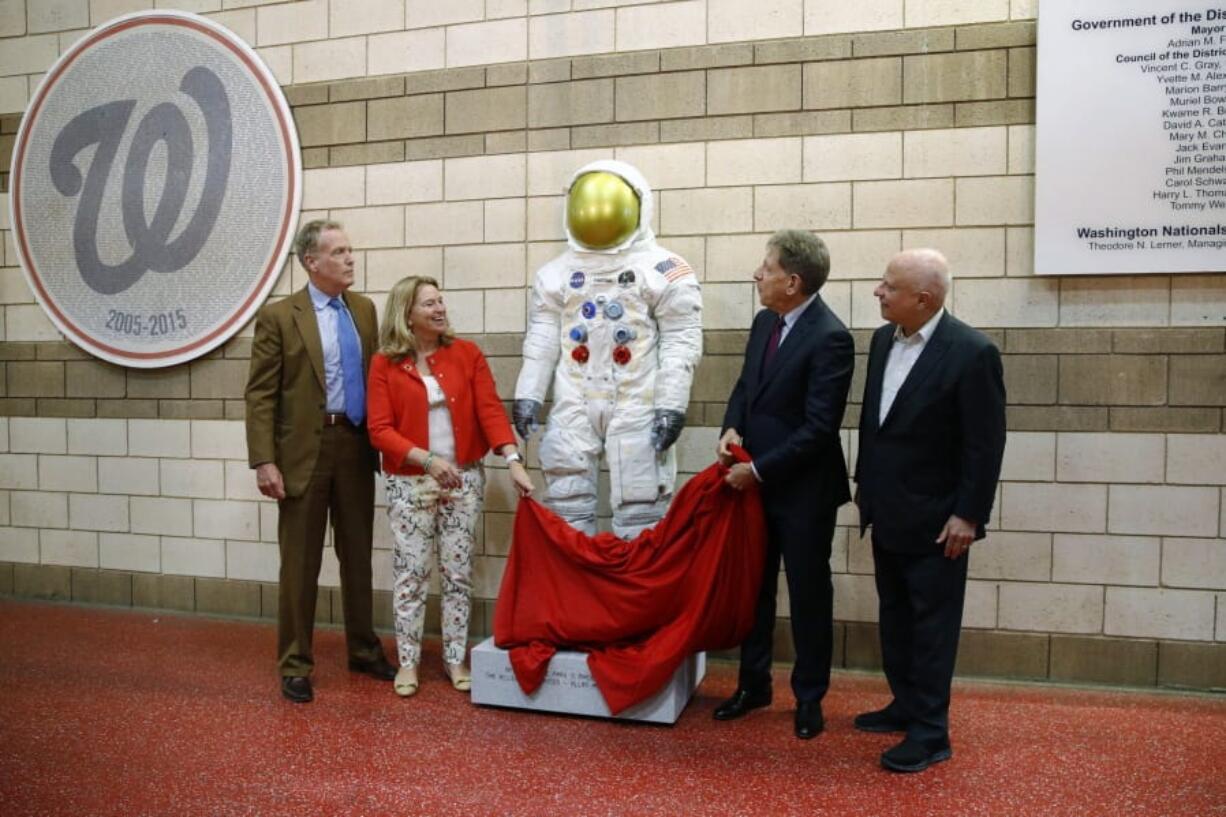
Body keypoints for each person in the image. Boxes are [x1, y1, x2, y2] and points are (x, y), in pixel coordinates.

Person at [854, 248, 1006, 773]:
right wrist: (863, 489)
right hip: (887, 512)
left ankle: (930, 732)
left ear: (924, 298)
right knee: (895, 619)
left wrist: (969, 514)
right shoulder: (880, 341)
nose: (878, 291)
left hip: (940, 522)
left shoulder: (971, 352)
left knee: (932, 627)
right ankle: (905, 704)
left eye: (888, 286)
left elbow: (984, 446)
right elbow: (877, 423)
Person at [245, 220, 395, 704]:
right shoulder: (279, 316)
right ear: (312, 262)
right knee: (300, 563)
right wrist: (264, 461)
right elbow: (261, 394)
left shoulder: (365, 310)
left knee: (357, 556)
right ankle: (294, 662)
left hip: (354, 445)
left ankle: (364, 649)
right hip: (302, 453)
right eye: (339, 252)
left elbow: (380, 381)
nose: (351, 259)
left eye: (351, 250)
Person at [512, 160, 702, 540]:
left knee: (640, 508)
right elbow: (543, 338)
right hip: (574, 398)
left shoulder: (663, 269)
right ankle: (577, 594)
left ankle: (637, 596)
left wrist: (671, 404)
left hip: (638, 399)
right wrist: (528, 394)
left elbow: (682, 340)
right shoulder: (557, 274)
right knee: (567, 506)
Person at [714, 230, 854, 740]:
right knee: (754, 588)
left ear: (792, 281)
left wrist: (759, 469)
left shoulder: (831, 337)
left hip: (803, 493)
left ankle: (809, 697)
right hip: (752, 484)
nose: (757, 274)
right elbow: (746, 386)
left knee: (808, 594)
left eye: (766, 267)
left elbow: (819, 429)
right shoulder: (763, 322)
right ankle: (754, 685)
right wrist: (731, 427)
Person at [367, 275, 534, 698]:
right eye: (429, 304)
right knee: (411, 573)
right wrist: (427, 460)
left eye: (441, 301)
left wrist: (512, 459)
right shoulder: (384, 364)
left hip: (463, 480)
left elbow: (490, 410)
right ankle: (407, 662)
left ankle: (455, 657)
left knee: (457, 574)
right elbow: (379, 430)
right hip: (410, 483)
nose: (440, 309)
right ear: (407, 315)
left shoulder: (466, 354)